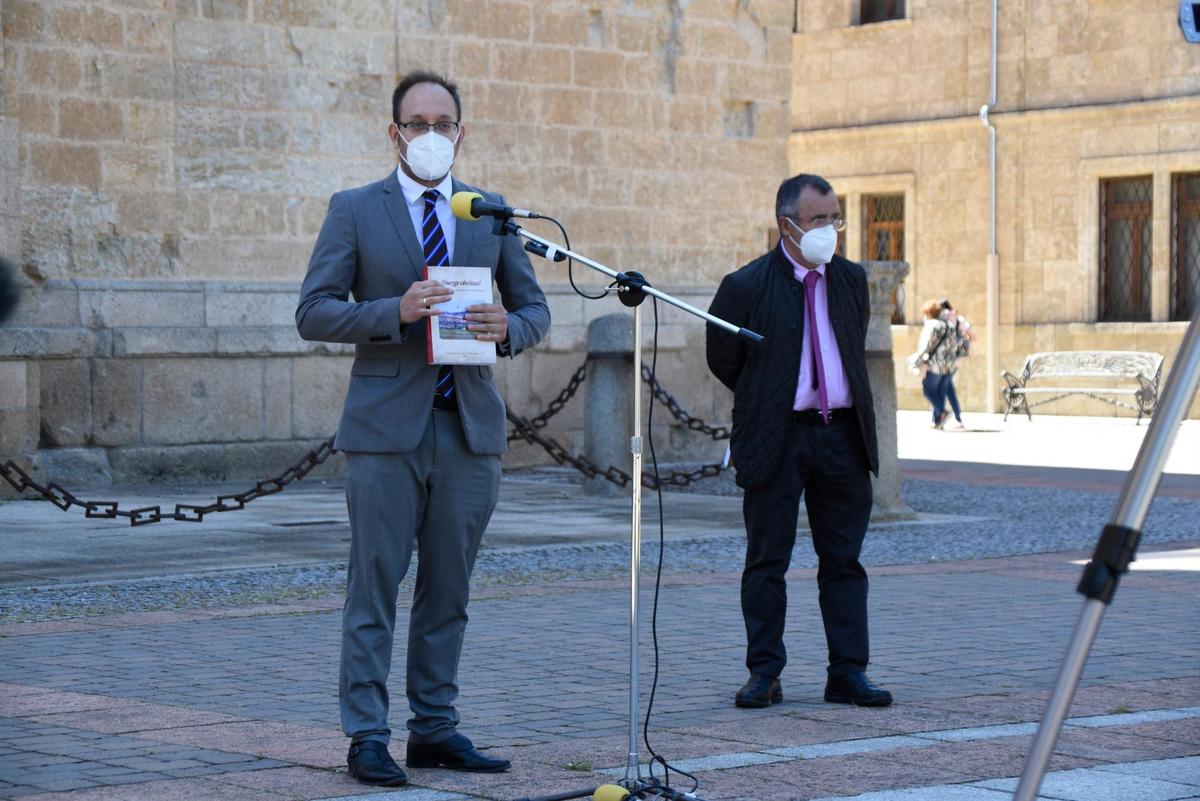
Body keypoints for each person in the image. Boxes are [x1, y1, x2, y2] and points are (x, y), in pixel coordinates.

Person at [296, 71, 550, 787]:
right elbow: (313, 310)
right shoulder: (354, 210)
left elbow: (535, 312)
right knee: (373, 585)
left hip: (468, 429)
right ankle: (366, 735)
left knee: (449, 590)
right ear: (394, 133)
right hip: (385, 431)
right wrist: (392, 310)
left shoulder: (488, 214)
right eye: (417, 123)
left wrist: (509, 329)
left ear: (461, 132)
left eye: (444, 122)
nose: (431, 134)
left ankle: (434, 728)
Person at [706, 173, 892, 710]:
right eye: (817, 220)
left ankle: (848, 672)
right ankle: (764, 673)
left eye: (836, 218)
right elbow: (725, 359)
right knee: (767, 561)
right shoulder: (744, 286)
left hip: (842, 438)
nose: (829, 230)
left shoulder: (852, 279)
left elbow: (849, 347)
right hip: (777, 439)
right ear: (786, 225)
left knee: (845, 561)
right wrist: (772, 395)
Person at [907, 299, 958, 429]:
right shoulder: (949, 326)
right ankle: (937, 421)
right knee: (940, 393)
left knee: (928, 390)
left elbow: (925, 347)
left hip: (935, 365)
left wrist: (916, 362)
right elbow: (954, 347)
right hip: (948, 366)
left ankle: (942, 411)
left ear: (928, 313)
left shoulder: (931, 326)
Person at [938, 299, 976, 431]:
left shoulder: (942, 319)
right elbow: (973, 336)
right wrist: (962, 340)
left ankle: (947, 418)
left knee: (945, 387)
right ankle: (941, 418)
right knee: (946, 386)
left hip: (944, 359)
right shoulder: (960, 320)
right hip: (958, 359)